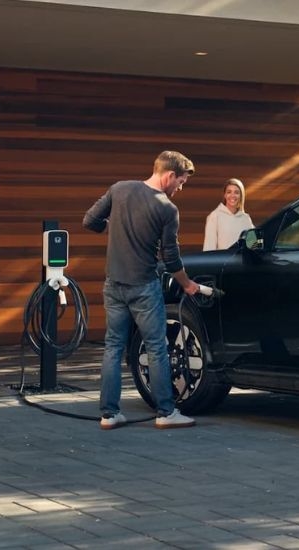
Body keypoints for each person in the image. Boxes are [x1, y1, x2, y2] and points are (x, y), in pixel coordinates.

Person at [83, 150, 201, 430]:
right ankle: (165, 412)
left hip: (113, 284)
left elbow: (89, 221)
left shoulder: (119, 189)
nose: (180, 189)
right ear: (170, 175)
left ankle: (109, 415)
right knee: (157, 347)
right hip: (144, 287)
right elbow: (171, 259)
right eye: (181, 182)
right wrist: (188, 284)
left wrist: (111, 227)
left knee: (113, 345)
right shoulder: (166, 208)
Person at [203, 178, 255, 250]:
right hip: (223, 261)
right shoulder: (215, 216)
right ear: (224, 195)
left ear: (241, 196)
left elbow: (254, 247)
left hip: (243, 261)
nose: (232, 195)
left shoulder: (246, 219)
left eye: (236, 192)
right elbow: (208, 248)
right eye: (229, 192)